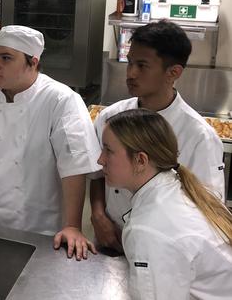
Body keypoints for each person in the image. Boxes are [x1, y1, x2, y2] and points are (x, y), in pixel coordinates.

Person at [0, 25, 101, 260]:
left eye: (6, 58)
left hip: (42, 231)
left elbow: (73, 167)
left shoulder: (61, 100)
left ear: (33, 62)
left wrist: (73, 226)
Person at [90, 20, 225, 253]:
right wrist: (99, 215)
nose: (130, 73)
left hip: (165, 249)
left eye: (142, 65)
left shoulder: (199, 135)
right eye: (129, 62)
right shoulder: (111, 117)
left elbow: (208, 207)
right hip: (110, 238)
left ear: (173, 72)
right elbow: (96, 174)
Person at [98, 109, 232, 299]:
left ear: (140, 160)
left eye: (108, 150)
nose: (100, 160)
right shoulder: (175, 186)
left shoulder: (149, 229)